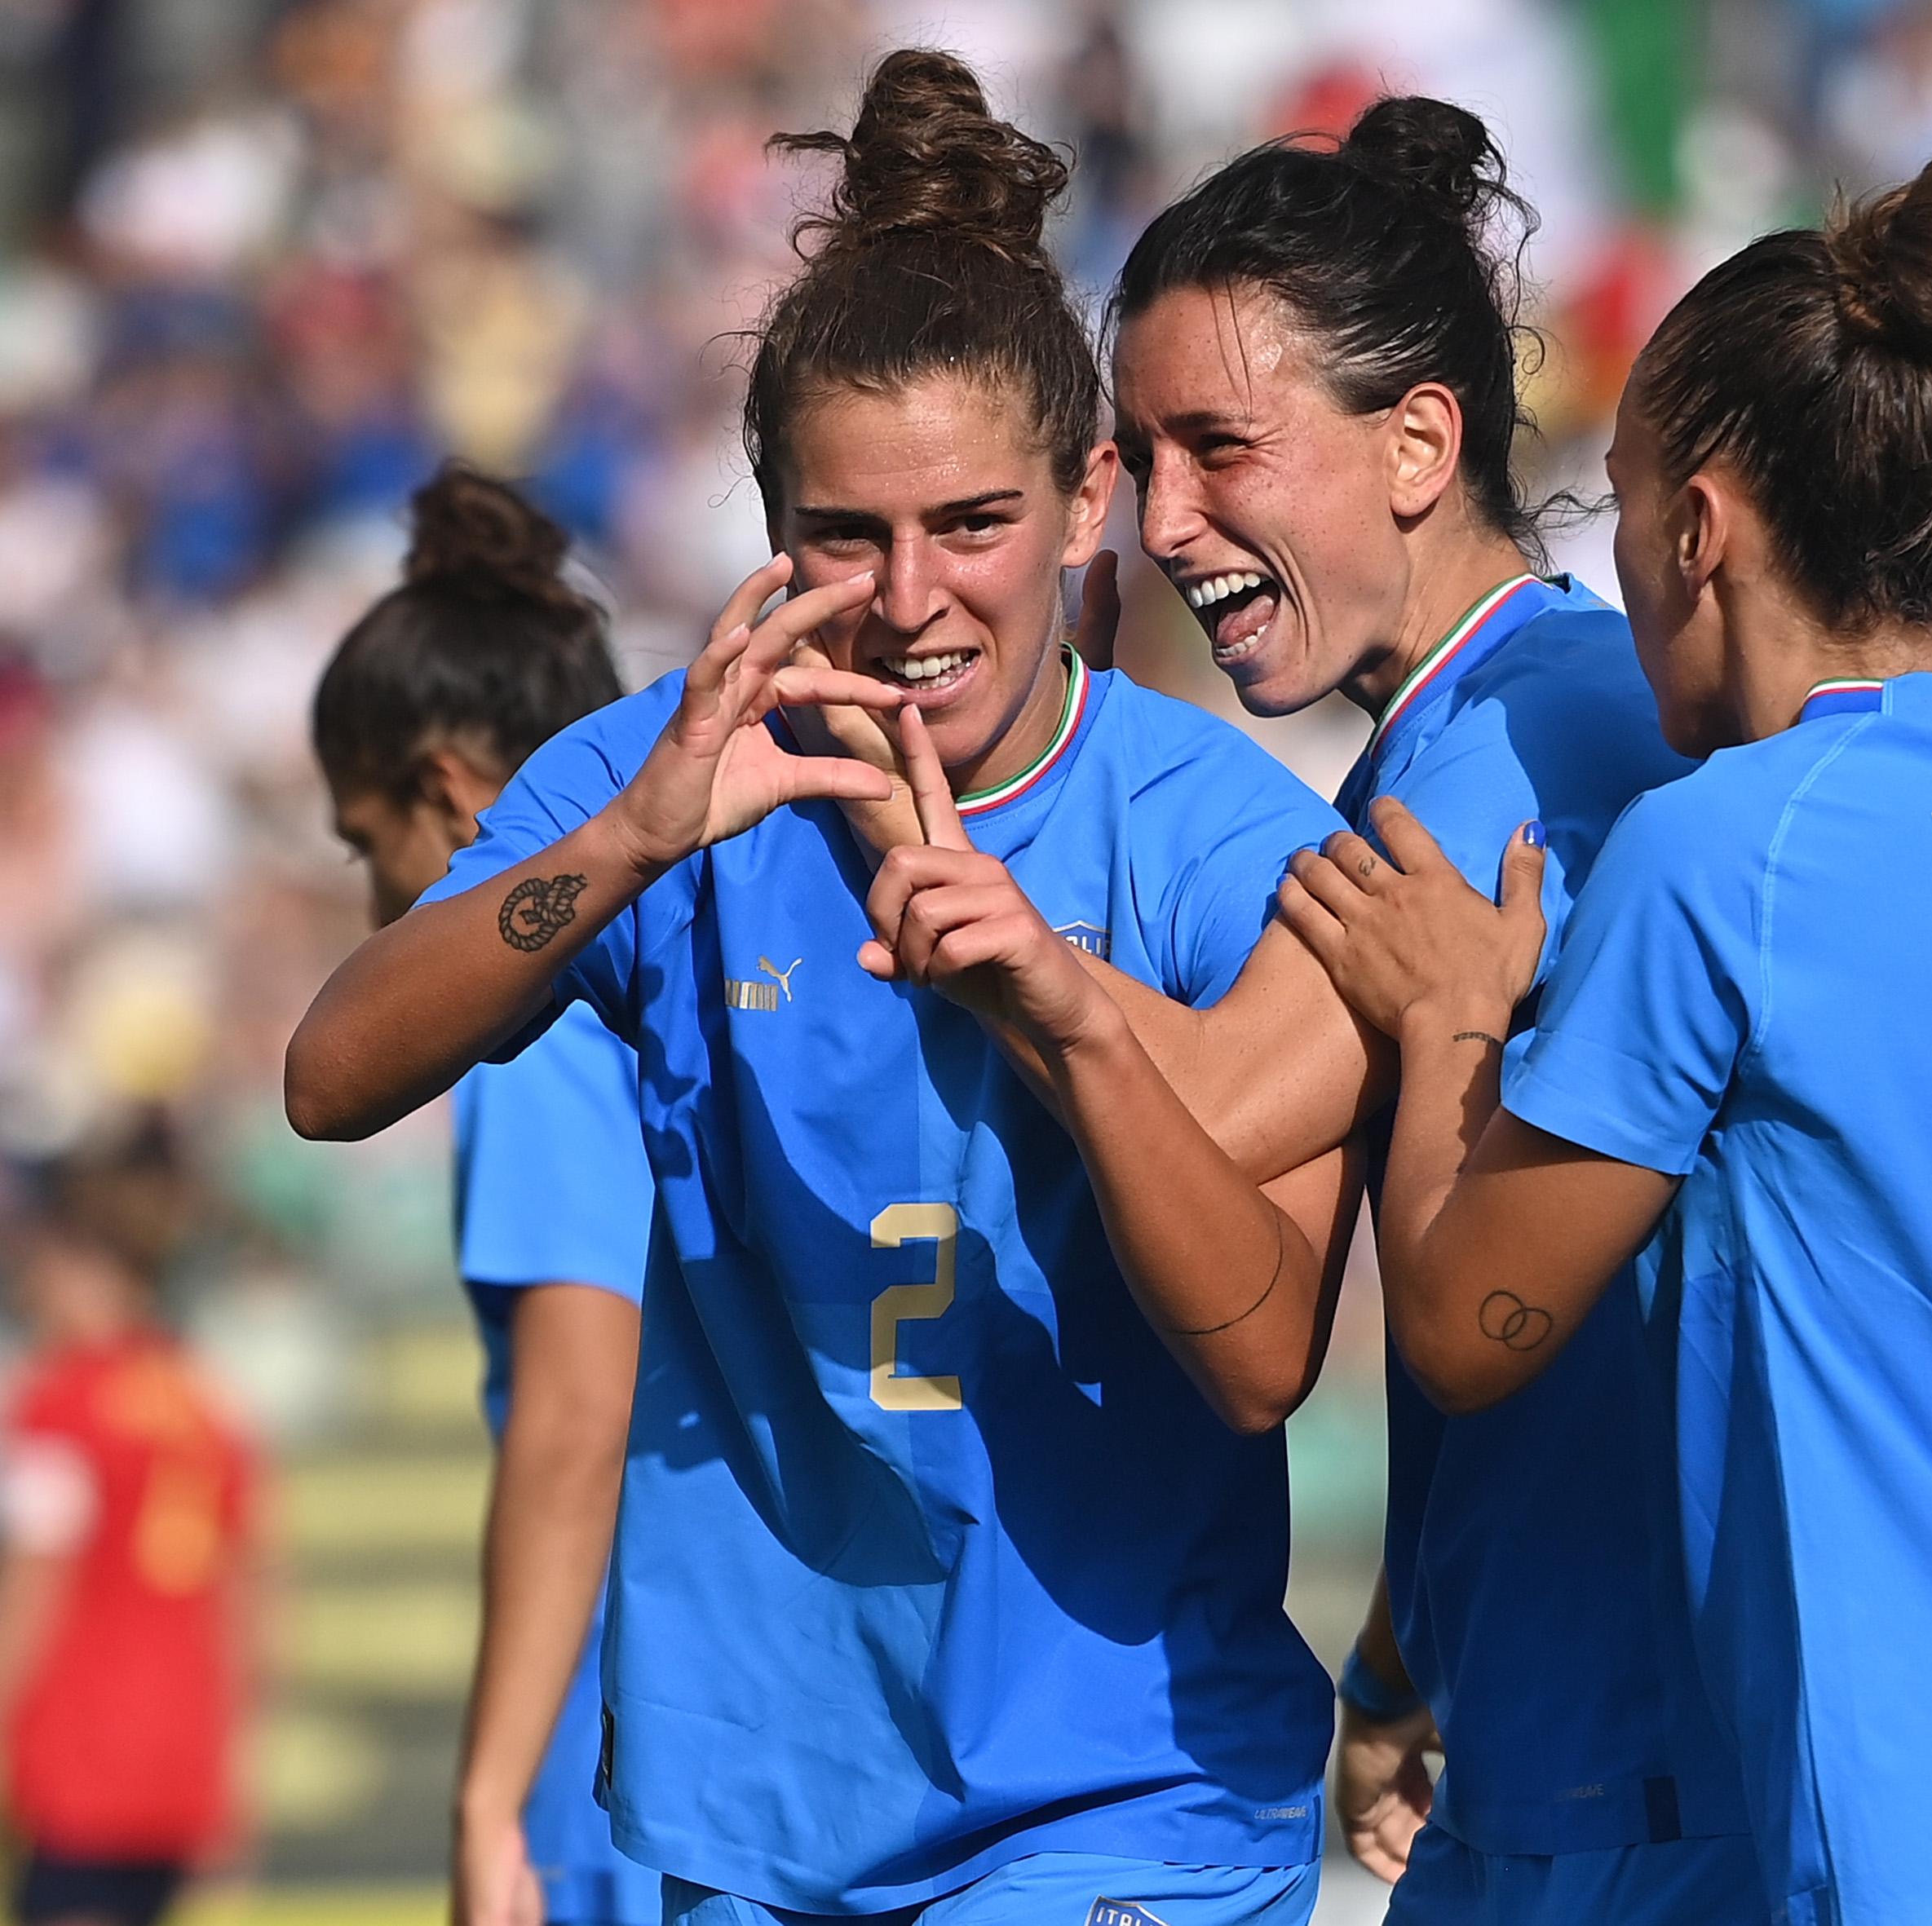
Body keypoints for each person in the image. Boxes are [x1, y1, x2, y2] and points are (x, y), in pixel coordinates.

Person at [286, 50, 1358, 1924]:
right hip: (764, 1820)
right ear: (771, 516)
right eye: (845, 532)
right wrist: (626, 845)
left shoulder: (1209, 836)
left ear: (1089, 496)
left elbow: (1265, 1360)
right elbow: (333, 1070)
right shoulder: (665, 780)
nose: (910, 594)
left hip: (1121, 1804)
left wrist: (1065, 1014)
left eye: (970, 523)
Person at [1269, 149, 1932, 1919]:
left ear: (1698, 527)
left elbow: (1470, 1324)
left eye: (1619, 508)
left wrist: (1450, 1019)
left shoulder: (1726, 847)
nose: (1614, 569)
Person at [1099, 96, 1754, 1921]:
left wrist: (994, 810)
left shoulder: (1524, 728)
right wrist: (1402, 1642)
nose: (1164, 519)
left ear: (1415, 443)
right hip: (1553, 1753)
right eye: (1140, 456)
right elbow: (1509, 1256)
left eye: (1219, 447)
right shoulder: (1480, 723)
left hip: (1641, 1780)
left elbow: (1211, 1113)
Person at [308, 461, 658, 1926]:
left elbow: (581, 1410)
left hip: (617, 1754)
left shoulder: (529, 1028)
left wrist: (490, 1795)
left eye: (363, 843)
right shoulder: (685, 951)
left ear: (449, 797)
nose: (371, 897)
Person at [0, 1115, 257, 1926]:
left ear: (81, 1265)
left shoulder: (59, 1404)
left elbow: (34, 1591)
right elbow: (254, 1592)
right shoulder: (206, 1400)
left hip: (83, 1757)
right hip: (183, 1755)